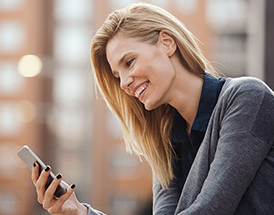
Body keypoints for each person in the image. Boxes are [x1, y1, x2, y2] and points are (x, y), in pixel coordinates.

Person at [31, 2, 274, 215]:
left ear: (167, 43)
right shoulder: (166, 143)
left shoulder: (247, 99)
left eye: (129, 62)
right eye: (118, 75)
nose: (124, 82)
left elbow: (210, 209)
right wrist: (80, 212)